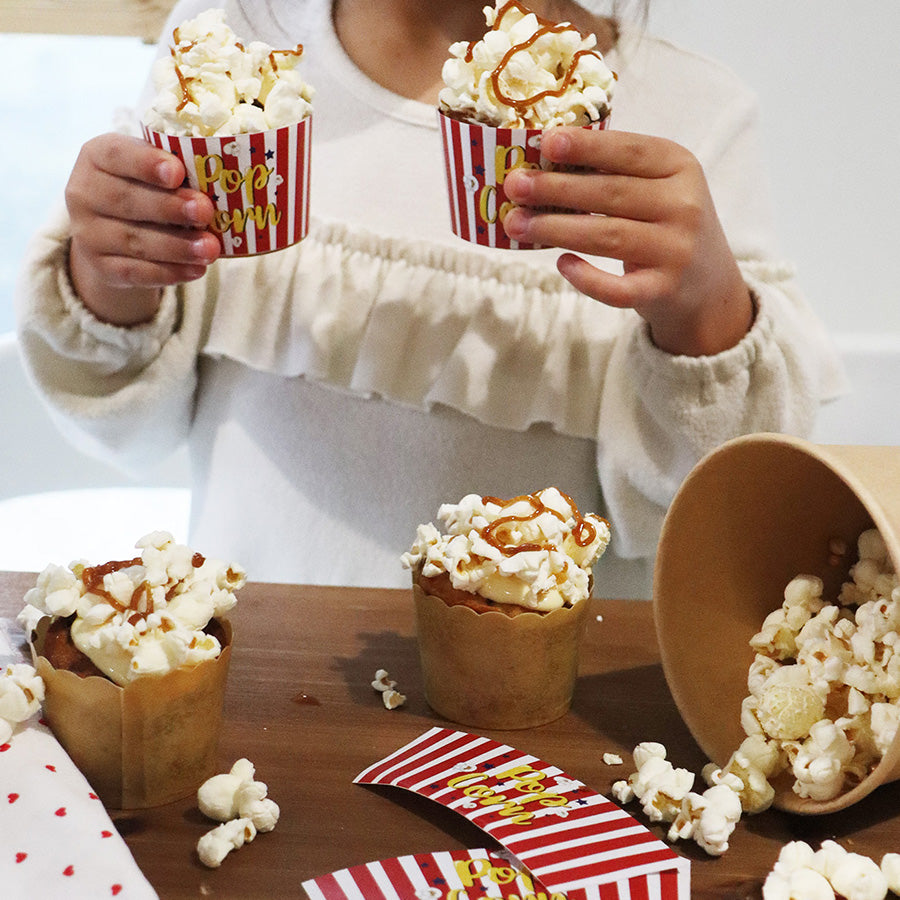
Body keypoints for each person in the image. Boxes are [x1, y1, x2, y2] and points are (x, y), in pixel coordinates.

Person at [15, 0, 844, 596]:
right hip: (262, 671)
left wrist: (702, 309)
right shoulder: (228, 55)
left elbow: (715, 512)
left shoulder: (691, 117)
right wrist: (108, 272)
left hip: (545, 712)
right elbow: (128, 427)